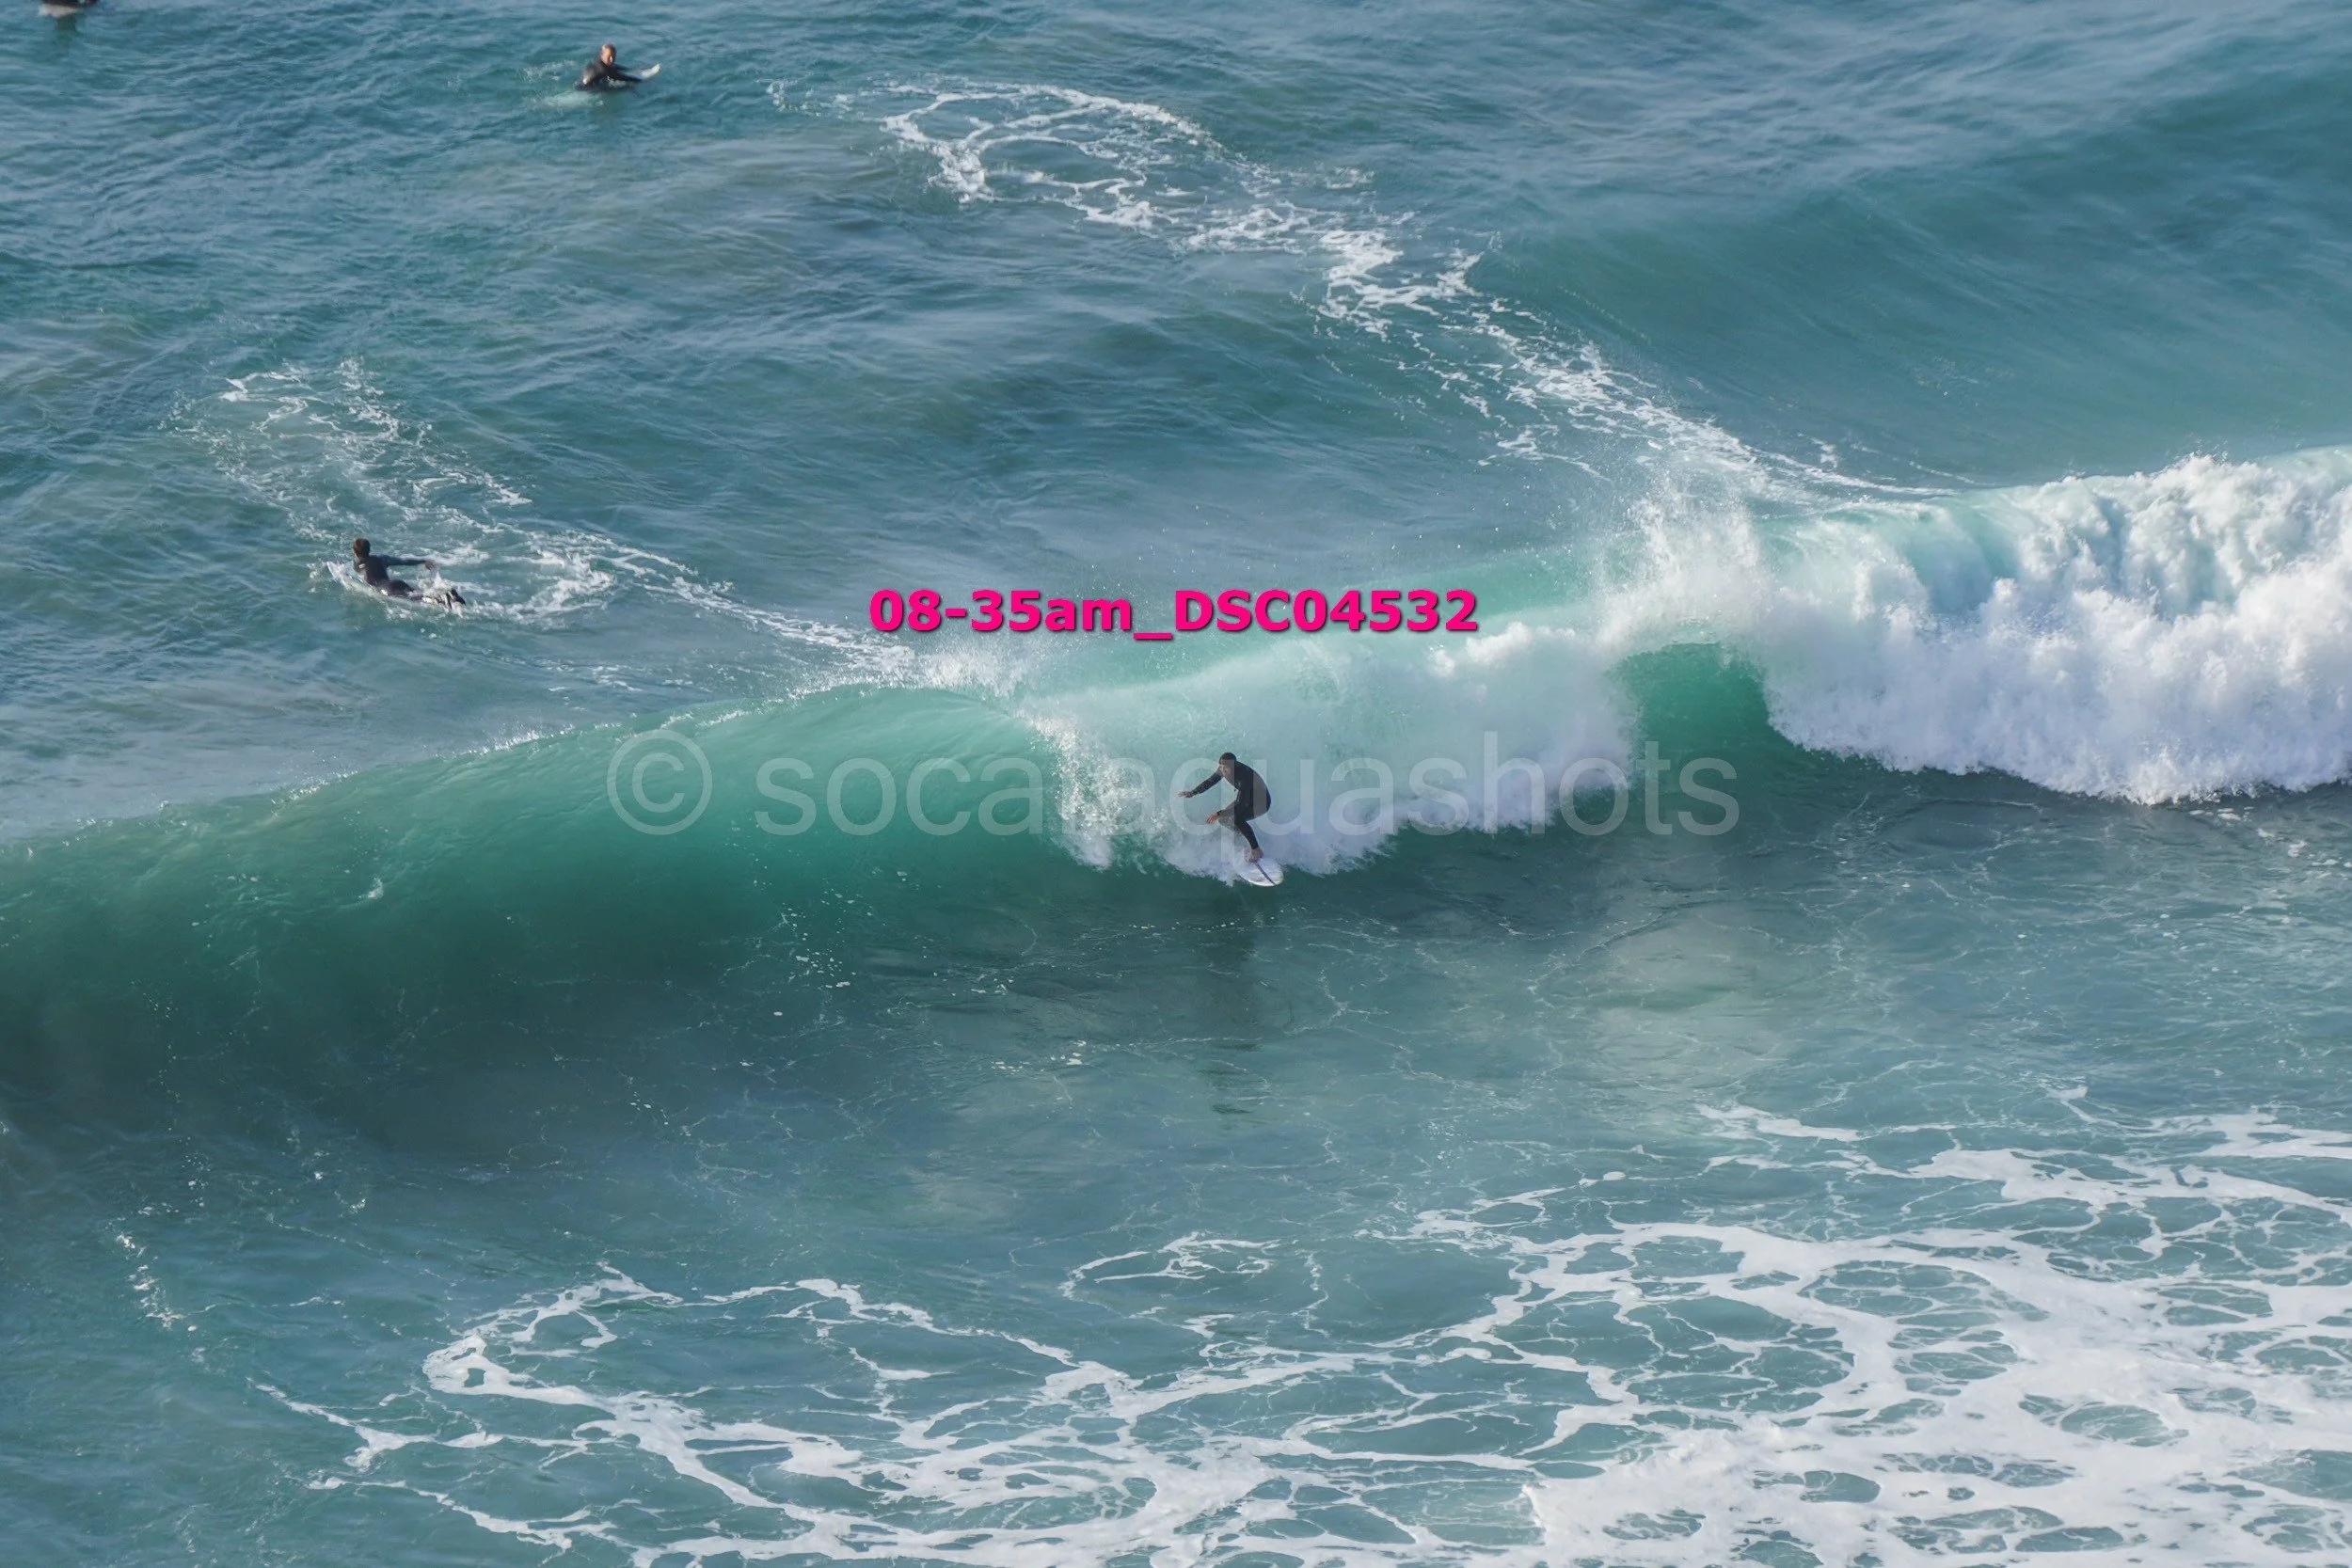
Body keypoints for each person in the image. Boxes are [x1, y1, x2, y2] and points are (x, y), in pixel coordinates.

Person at [1183, 752, 1271, 862]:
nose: (1223, 770)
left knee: (1237, 818)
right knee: (1224, 820)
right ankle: (1243, 834)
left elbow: (1241, 805)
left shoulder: (1245, 777)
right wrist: (1193, 792)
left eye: (1226, 768)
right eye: (1221, 767)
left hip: (1261, 803)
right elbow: (1211, 781)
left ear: (1234, 767)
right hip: (1247, 798)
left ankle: (1257, 850)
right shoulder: (1223, 769)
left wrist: (1218, 813)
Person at [351, 538, 463, 606]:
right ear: (369, 549)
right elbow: (403, 561)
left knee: (419, 598)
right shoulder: (381, 559)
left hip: (385, 589)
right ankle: (447, 594)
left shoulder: (356, 566)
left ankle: (442, 598)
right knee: (421, 594)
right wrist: (423, 561)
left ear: (354, 552)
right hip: (396, 582)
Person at [577, 43, 643, 92]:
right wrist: (640, 80)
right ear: (602, 54)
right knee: (627, 87)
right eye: (609, 56)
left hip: (580, 84)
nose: (611, 59)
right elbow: (622, 77)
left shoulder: (597, 61)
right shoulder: (604, 69)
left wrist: (630, 69)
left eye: (613, 56)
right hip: (587, 89)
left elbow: (614, 67)